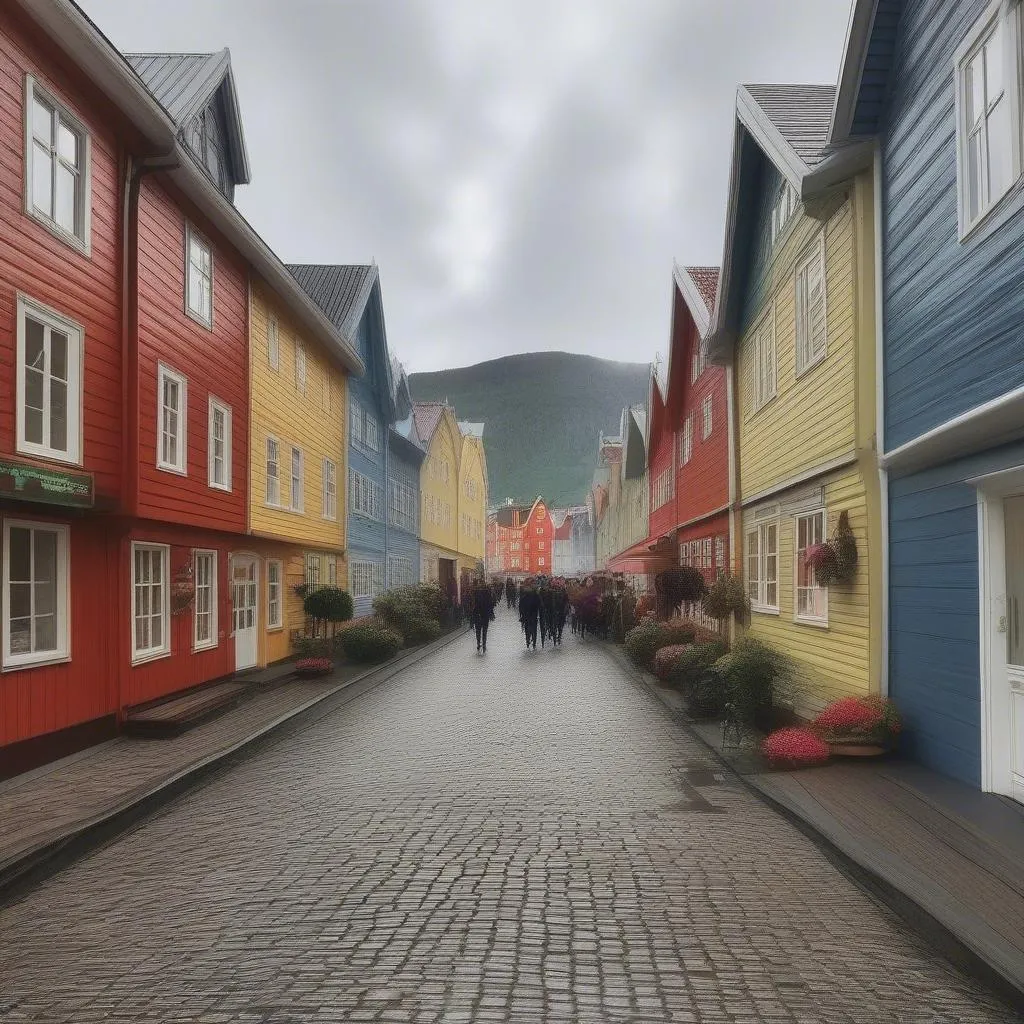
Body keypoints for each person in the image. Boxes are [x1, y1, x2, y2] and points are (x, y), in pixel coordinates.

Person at [470, 574, 496, 652]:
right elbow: (490, 603)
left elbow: (472, 604)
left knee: (478, 630)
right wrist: (491, 612)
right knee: (484, 630)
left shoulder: (475, 592)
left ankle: (479, 644)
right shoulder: (487, 592)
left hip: (478, 613)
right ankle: (483, 644)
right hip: (484, 614)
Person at [518, 577, 540, 650]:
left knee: (528, 628)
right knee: (532, 628)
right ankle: (532, 642)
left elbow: (521, 603)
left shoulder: (525, 591)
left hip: (528, 612)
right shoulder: (534, 592)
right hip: (532, 613)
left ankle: (529, 641)